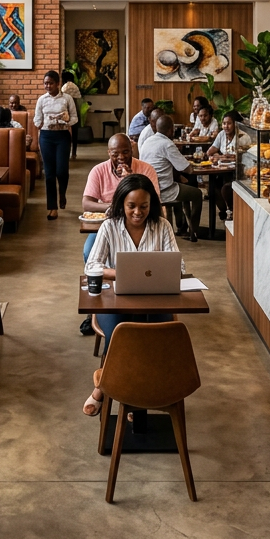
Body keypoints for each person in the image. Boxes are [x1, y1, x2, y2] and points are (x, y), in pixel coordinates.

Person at [82, 174, 182, 415]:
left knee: (155, 336)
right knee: (121, 332)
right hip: (116, 302)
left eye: (144, 206)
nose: (138, 212)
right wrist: (120, 273)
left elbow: (179, 268)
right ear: (121, 204)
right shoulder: (109, 226)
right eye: (131, 206)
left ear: (152, 205)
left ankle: (112, 389)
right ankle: (127, 394)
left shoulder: (162, 226)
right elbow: (91, 266)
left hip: (155, 301)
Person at [81, 133, 160, 259]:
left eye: (126, 152)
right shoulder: (98, 171)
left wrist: (130, 179)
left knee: (149, 256)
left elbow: (155, 201)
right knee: (88, 253)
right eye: (115, 154)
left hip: (141, 223)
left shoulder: (146, 169)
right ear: (109, 153)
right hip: (107, 223)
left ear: (132, 150)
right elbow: (86, 204)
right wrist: (115, 206)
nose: (121, 157)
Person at [140, 115, 202, 241]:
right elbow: (187, 168)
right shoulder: (167, 144)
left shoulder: (148, 141)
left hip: (149, 188)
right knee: (197, 194)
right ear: (170, 130)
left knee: (184, 187)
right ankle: (194, 230)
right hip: (164, 190)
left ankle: (186, 227)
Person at [33, 70, 77, 220]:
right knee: (49, 173)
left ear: (58, 84)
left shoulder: (67, 99)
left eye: (50, 83)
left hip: (63, 136)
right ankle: (52, 207)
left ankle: (62, 193)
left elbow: (75, 118)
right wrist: (39, 124)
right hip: (46, 136)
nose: (48, 86)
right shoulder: (42, 100)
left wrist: (66, 120)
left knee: (62, 171)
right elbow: (37, 119)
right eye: (45, 83)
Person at [207, 113, 249, 221]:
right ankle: (224, 211)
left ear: (236, 124)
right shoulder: (222, 134)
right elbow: (209, 152)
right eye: (224, 123)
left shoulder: (243, 137)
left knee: (226, 188)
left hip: (239, 172)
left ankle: (231, 211)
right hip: (223, 171)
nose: (226, 126)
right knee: (212, 189)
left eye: (229, 123)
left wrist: (224, 157)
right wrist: (218, 155)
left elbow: (243, 158)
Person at [61, 70, 82, 159]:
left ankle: (66, 152)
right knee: (75, 133)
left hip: (67, 111)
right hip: (75, 110)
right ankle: (74, 153)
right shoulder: (75, 86)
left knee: (65, 133)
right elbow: (78, 99)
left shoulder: (65, 87)